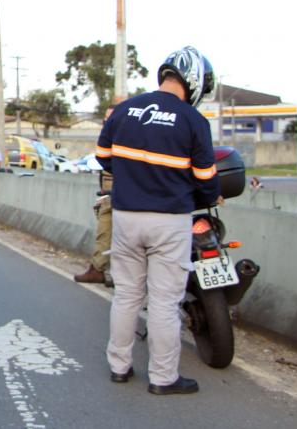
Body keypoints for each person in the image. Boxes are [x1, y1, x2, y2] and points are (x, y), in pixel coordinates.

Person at [96, 46, 220, 395]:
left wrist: (134, 176)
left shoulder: (124, 110)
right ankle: (163, 378)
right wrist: (202, 196)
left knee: (126, 295)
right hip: (169, 221)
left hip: (126, 217)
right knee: (164, 302)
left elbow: (103, 156)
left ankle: (119, 367)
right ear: (193, 80)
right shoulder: (193, 120)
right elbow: (207, 179)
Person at [75, 106, 116, 287]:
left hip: (120, 191)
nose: (107, 122)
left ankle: (99, 269)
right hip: (108, 190)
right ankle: (98, 269)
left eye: (110, 118)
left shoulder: (126, 136)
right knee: (106, 228)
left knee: (108, 228)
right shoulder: (111, 136)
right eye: (106, 119)